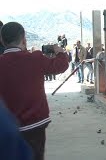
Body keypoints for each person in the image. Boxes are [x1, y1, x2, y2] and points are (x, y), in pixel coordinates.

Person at [0, 22, 69, 160]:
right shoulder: (35, 58)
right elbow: (61, 66)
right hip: (35, 125)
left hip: (7, 128)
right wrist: (60, 53)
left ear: (1, 40)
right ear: (24, 39)